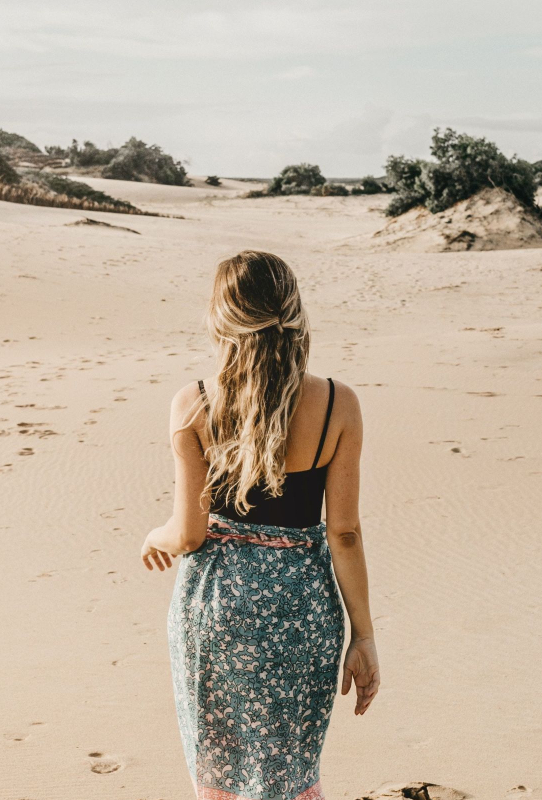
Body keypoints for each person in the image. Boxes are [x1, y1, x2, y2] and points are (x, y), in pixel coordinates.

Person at [141, 250, 379, 800]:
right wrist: (362, 634)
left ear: (220, 319)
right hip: (304, 613)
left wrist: (156, 537)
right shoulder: (338, 403)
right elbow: (344, 533)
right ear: (295, 313)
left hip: (219, 611)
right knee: (291, 775)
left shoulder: (195, 403)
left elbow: (189, 535)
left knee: (222, 772)